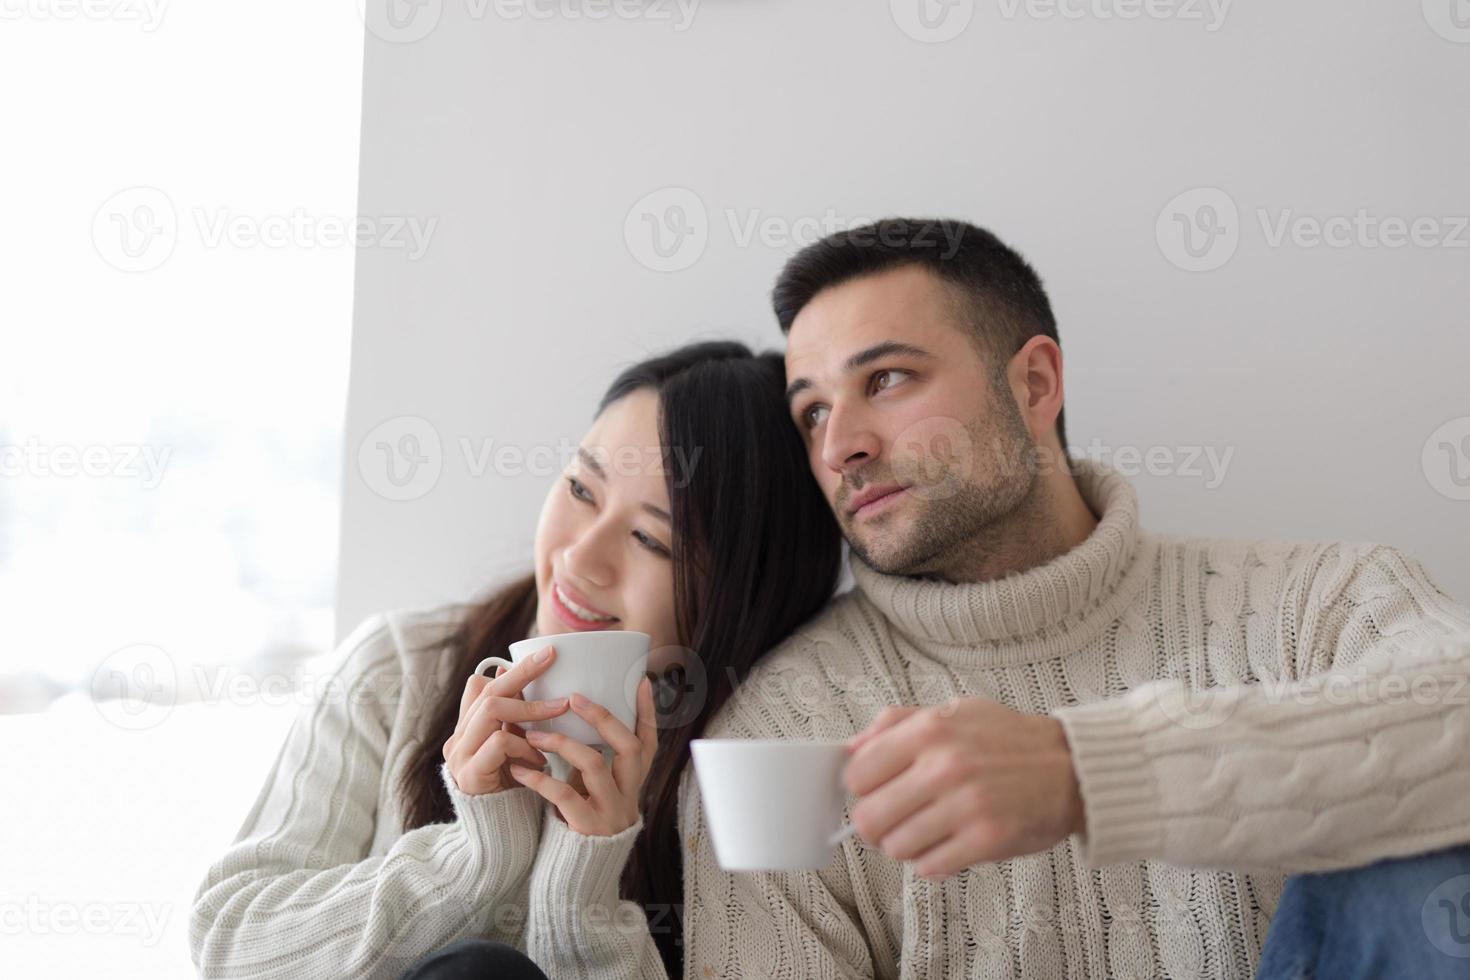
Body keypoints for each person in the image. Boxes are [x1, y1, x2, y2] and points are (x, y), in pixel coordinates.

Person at [551, 218, 1470, 979]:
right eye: (814, 413)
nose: (842, 447)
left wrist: (1087, 773)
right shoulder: (782, 729)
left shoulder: (1318, 605)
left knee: (1423, 842)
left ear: (1034, 384)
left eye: (888, 380)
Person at [187, 341, 842, 980]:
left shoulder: (751, 763)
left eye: (650, 538)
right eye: (582, 489)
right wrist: (471, 859)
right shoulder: (400, 670)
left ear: (743, 591)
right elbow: (229, 941)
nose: (580, 558)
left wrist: (583, 884)